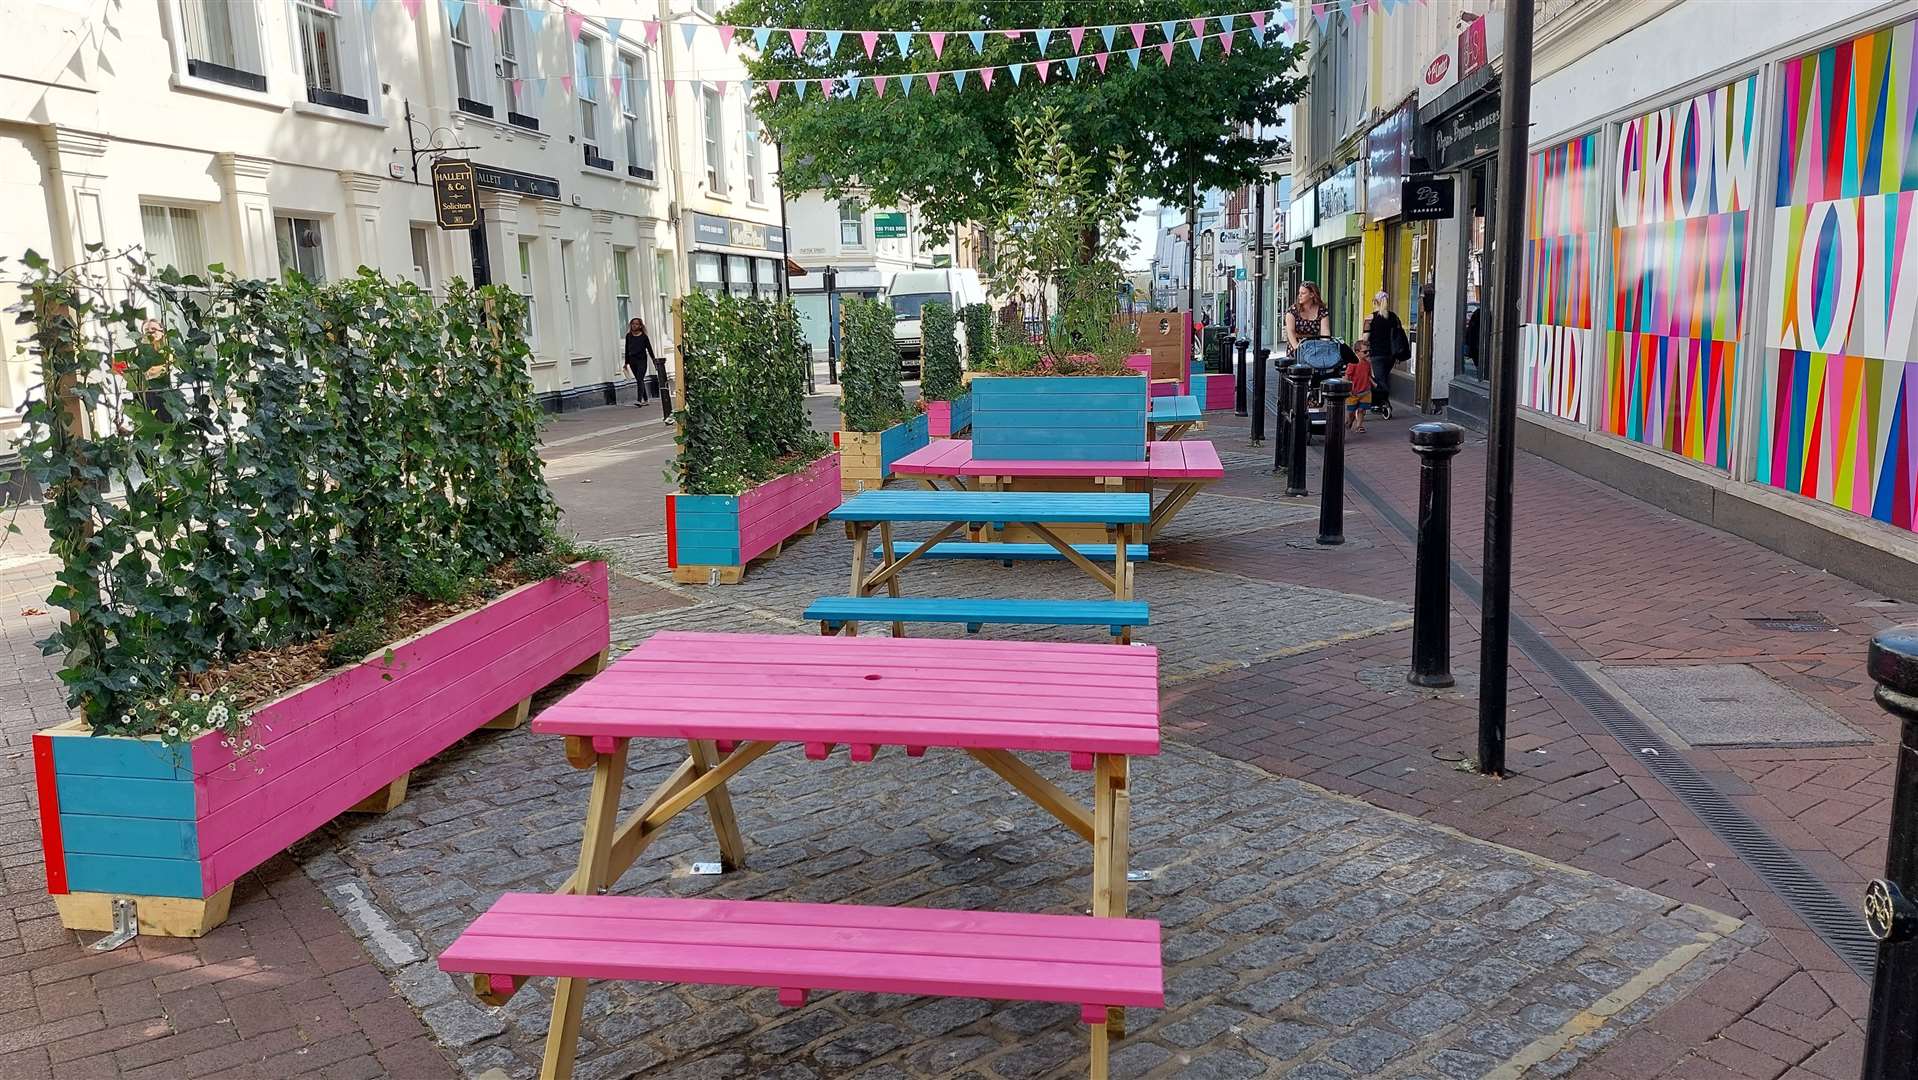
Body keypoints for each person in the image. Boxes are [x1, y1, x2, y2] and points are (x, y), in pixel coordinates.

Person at [1364, 291, 1409, 420]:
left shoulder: (1370, 318)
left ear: (1375, 302)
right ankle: (1380, 403)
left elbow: (1365, 338)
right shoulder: (1394, 317)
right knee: (1383, 377)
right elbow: (1399, 335)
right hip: (1391, 354)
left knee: (1379, 379)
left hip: (1376, 354)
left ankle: (1382, 403)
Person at [624, 317, 671, 422]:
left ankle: (639, 400)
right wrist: (626, 362)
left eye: (636, 324)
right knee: (638, 379)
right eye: (633, 324)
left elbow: (649, 349)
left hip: (642, 360)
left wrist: (654, 360)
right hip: (632, 360)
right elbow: (627, 349)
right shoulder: (628, 336)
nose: (634, 326)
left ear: (640, 326)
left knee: (640, 378)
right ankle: (646, 399)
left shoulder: (644, 337)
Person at [1284, 282, 1332, 354]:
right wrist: (1297, 348)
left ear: (1312, 295)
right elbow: (1290, 331)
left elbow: (1325, 331)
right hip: (1297, 347)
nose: (1299, 295)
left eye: (1303, 293)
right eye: (1299, 293)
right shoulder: (1292, 310)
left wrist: (1324, 347)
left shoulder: (1322, 311)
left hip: (1315, 348)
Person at [1344, 340, 1374, 434]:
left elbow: (1368, 376)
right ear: (1357, 352)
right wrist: (1348, 388)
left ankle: (1359, 426)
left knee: (1362, 410)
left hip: (1365, 391)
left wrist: (1374, 383)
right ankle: (1349, 422)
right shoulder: (1352, 363)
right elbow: (1347, 376)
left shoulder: (1368, 363)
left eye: (1369, 351)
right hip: (1353, 393)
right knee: (1351, 413)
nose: (1368, 353)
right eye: (1365, 352)